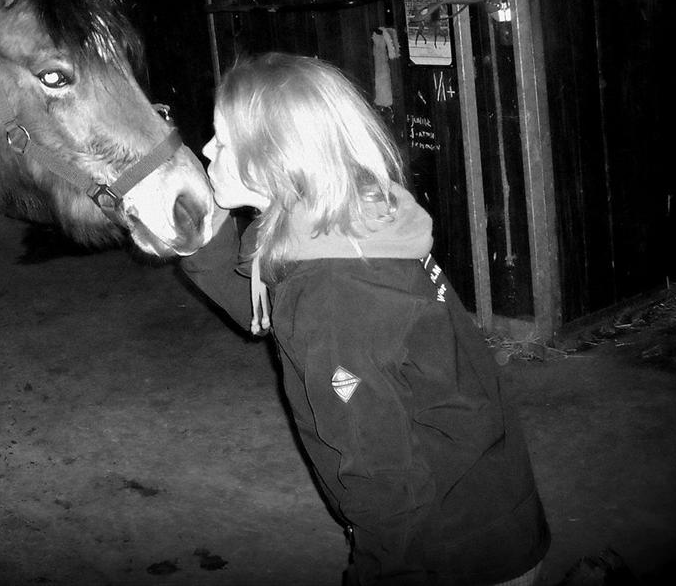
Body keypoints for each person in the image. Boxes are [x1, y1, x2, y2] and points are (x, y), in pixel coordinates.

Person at [179, 52, 550, 586]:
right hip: (484, 493)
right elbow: (265, 309)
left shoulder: (336, 297)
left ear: (276, 160)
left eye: (223, 139)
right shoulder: (340, 217)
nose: (207, 148)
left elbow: (384, 475)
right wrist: (200, 235)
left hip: (454, 543)